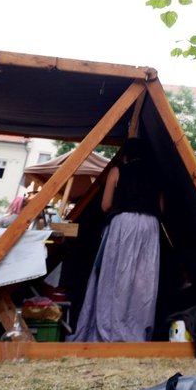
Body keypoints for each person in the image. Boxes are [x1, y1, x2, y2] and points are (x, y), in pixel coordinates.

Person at [68, 138, 163, 342]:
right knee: (142, 281)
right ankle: (137, 329)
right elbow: (161, 208)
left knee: (115, 276)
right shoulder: (157, 174)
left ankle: (111, 327)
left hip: (124, 225)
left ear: (125, 154)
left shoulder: (118, 171)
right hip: (150, 227)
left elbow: (105, 205)